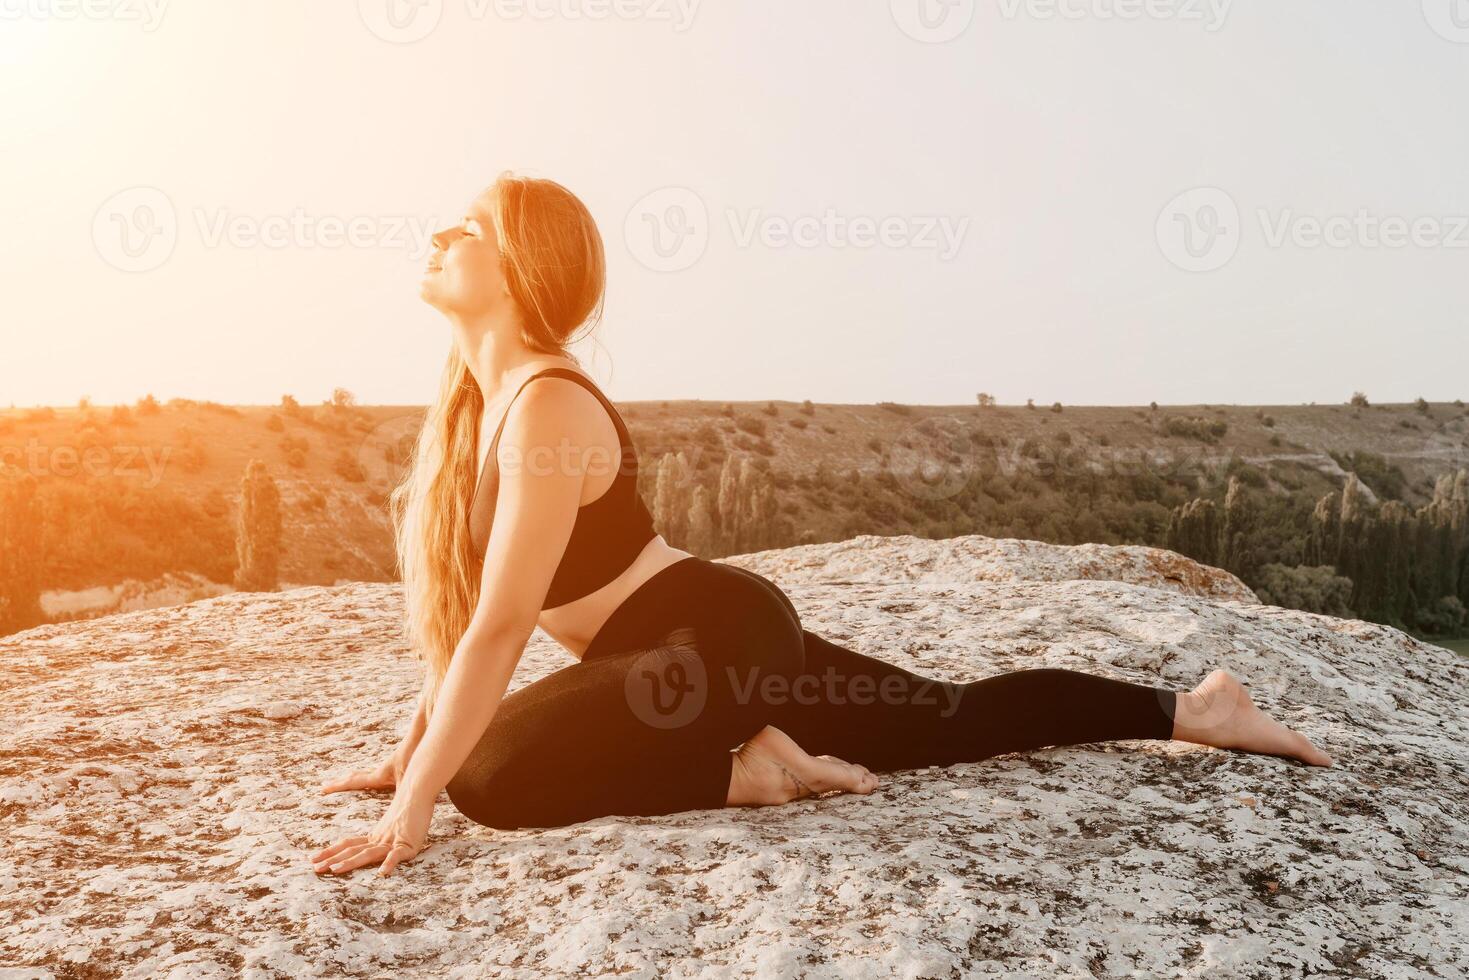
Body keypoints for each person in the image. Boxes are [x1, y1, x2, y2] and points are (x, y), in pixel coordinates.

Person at [308, 173, 1331, 878]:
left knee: (484, 777)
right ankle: (1193, 709)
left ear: (520, 267)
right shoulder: (492, 410)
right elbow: (461, 625)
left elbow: (497, 628)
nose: (440, 237)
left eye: (467, 228)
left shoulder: (545, 405)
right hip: (691, 655)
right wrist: (411, 753)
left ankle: (746, 769)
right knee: (947, 718)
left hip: (705, 641)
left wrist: (419, 796)